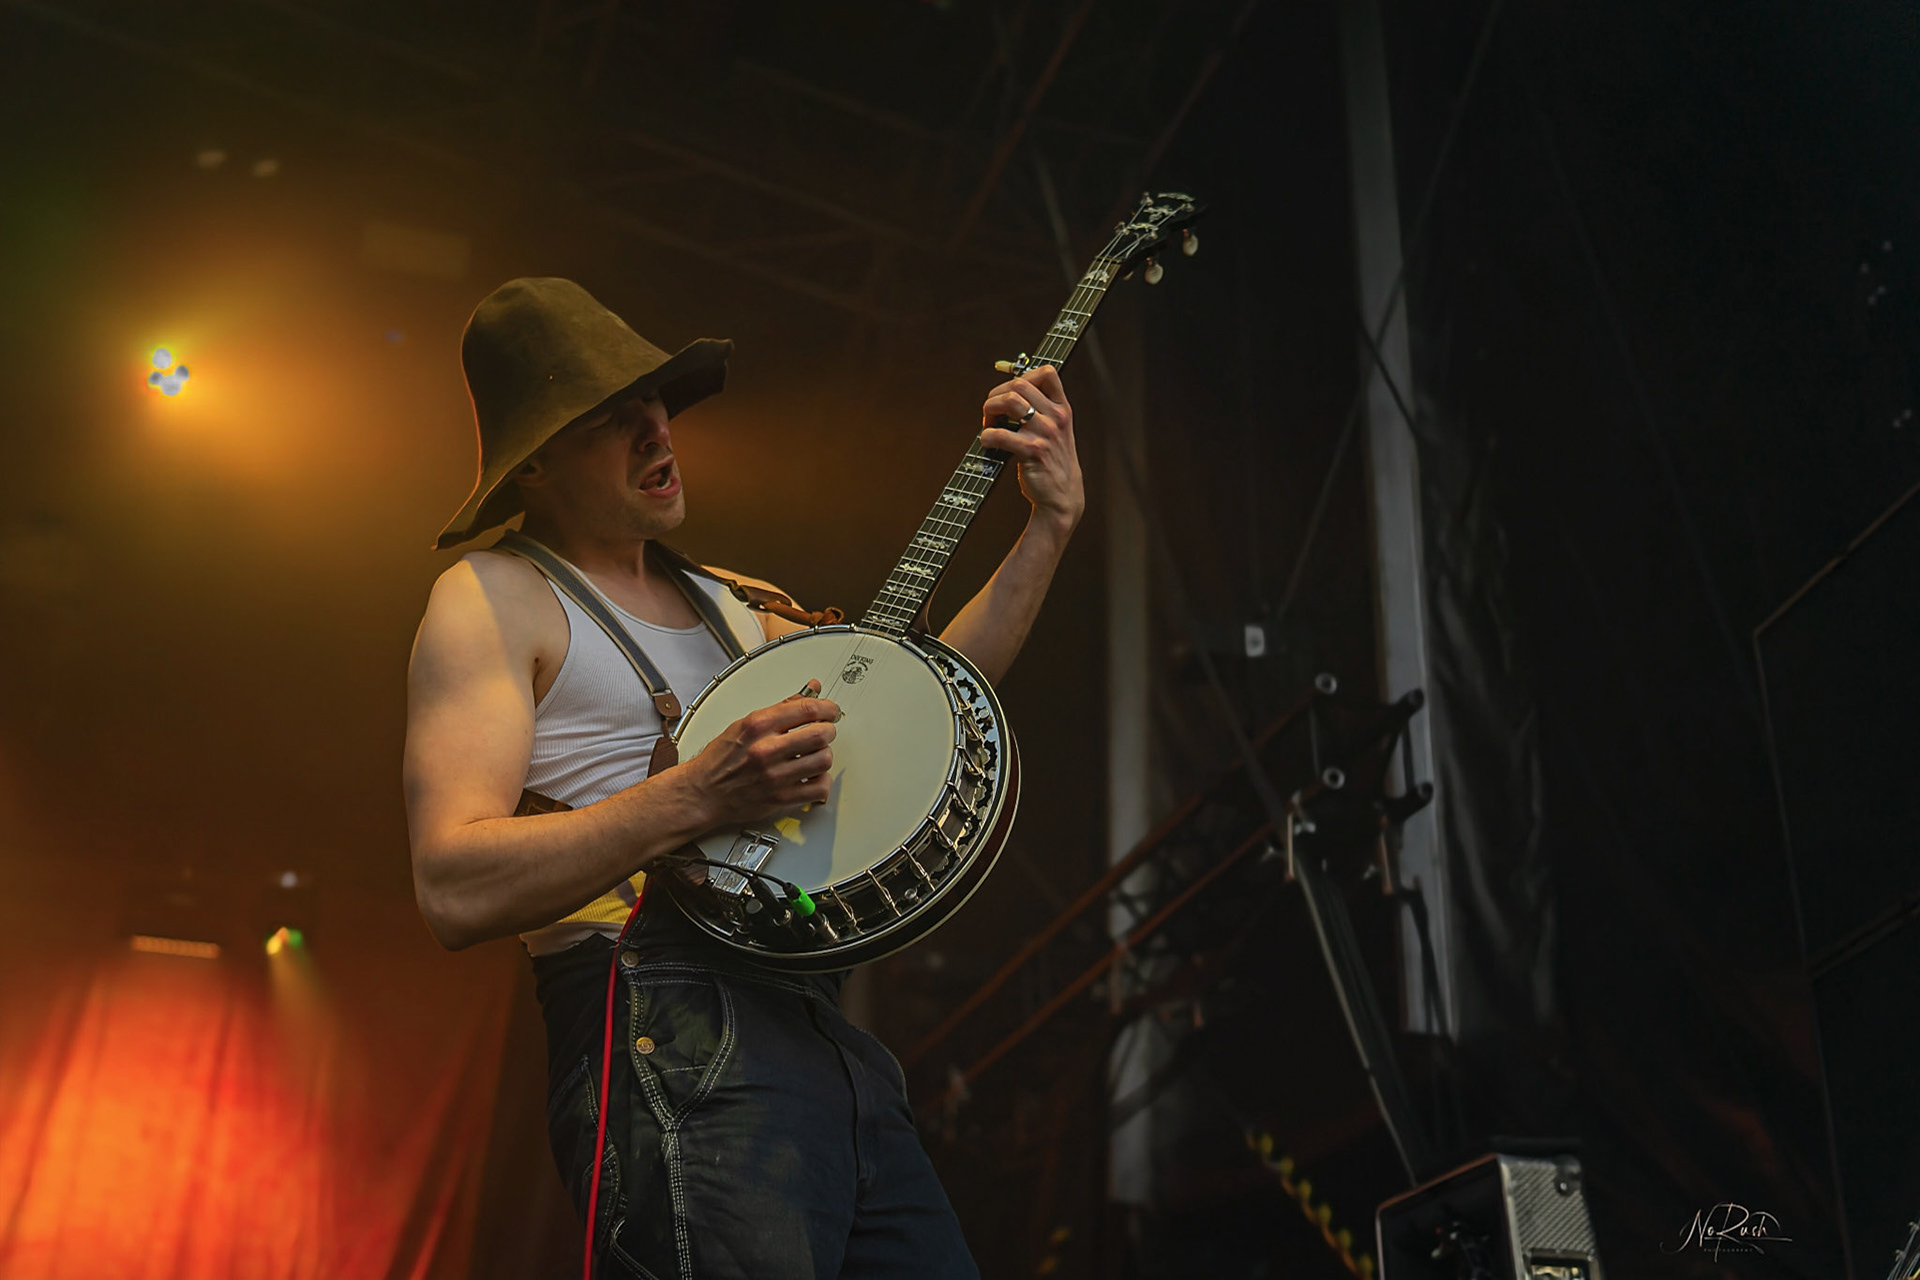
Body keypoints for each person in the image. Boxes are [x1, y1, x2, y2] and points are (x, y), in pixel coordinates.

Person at [403, 277, 1083, 1279]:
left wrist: (1045, 531)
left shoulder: (736, 602)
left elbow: (917, 698)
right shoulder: (496, 597)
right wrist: (697, 794)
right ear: (536, 462)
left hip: (822, 1028)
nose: (657, 433)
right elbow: (449, 882)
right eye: (613, 418)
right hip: (656, 1028)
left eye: (658, 404)